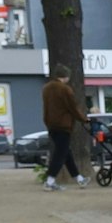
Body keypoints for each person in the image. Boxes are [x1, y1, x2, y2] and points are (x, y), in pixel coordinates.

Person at [40, 63, 89, 191]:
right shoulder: (65, 90)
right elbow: (72, 108)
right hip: (63, 126)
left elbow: (46, 107)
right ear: (65, 76)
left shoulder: (46, 88)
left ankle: (79, 179)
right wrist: (84, 119)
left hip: (51, 125)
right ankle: (49, 181)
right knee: (61, 154)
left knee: (66, 152)